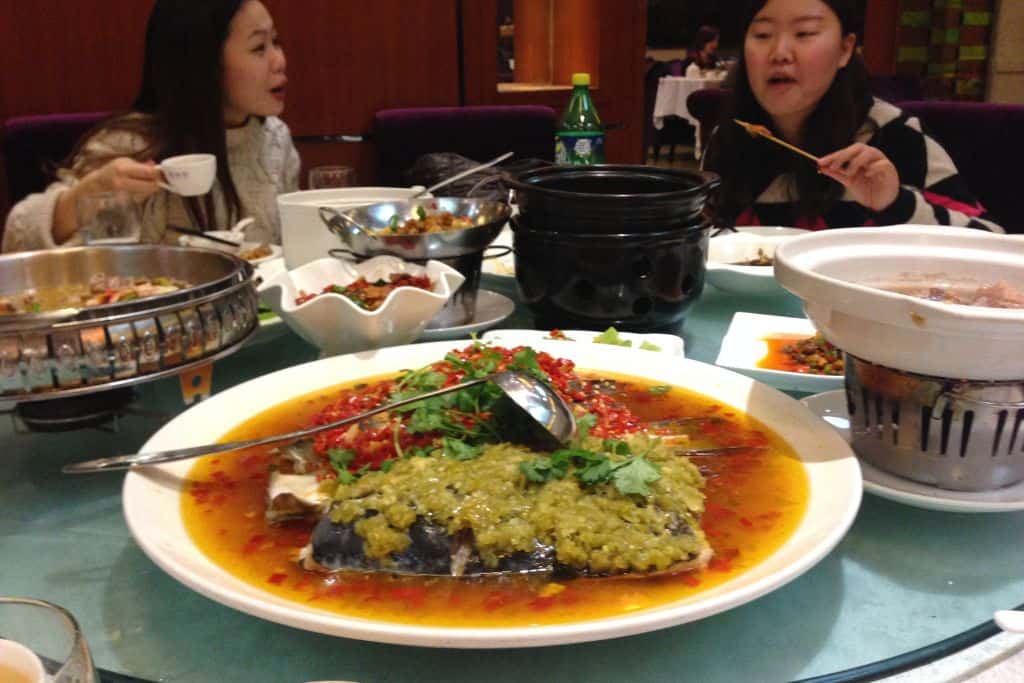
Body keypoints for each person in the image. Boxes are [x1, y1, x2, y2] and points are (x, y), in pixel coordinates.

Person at [3, 0, 300, 252]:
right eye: (259, 47)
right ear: (203, 62)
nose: (280, 60)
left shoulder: (275, 141)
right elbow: (17, 244)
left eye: (277, 42)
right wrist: (88, 193)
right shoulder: (129, 147)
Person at [703, 0, 1004, 233]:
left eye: (804, 33)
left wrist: (895, 202)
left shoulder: (894, 135)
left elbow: (991, 243)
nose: (779, 52)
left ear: (845, 49)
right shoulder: (730, 139)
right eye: (762, 34)